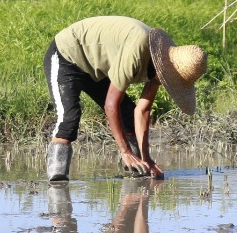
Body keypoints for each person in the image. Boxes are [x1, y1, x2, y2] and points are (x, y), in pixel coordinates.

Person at [42, 16, 206, 182]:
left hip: (94, 66)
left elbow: (142, 110)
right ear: (162, 68)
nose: (165, 82)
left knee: (127, 115)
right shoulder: (137, 50)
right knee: (70, 119)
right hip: (66, 55)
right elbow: (111, 105)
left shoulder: (162, 61)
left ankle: (137, 169)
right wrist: (125, 151)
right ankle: (58, 181)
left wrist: (146, 158)